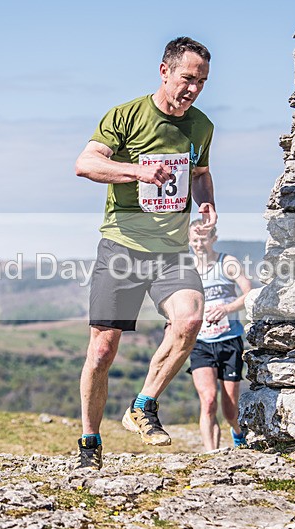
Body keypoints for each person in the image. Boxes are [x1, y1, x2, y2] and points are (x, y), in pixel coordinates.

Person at [74, 36, 216, 469]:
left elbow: (201, 173)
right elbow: (85, 164)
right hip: (122, 247)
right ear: (164, 71)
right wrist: (136, 170)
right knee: (102, 351)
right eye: (187, 78)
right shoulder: (125, 116)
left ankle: (143, 404)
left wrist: (207, 202)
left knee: (190, 319)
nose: (193, 89)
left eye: (202, 81)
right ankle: (90, 443)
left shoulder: (201, 126)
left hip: (171, 251)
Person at [188, 220, 251, 451]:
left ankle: (238, 433)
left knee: (230, 409)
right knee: (208, 401)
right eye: (195, 240)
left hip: (229, 340)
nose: (199, 244)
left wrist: (226, 309)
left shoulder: (227, 263)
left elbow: (249, 293)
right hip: (200, 342)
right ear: (189, 241)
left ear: (213, 239)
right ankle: (211, 454)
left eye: (203, 239)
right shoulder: (187, 270)